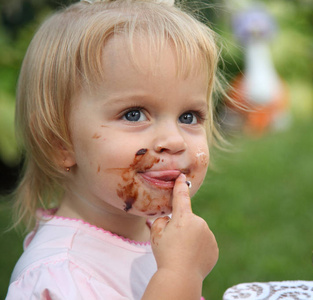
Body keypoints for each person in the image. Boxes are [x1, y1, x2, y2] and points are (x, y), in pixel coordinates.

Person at [6, 0, 223, 299]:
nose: (175, 141)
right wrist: (180, 275)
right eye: (133, 114)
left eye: (188, 117)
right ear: (59, 142)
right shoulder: (58, 277)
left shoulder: (159, 235)